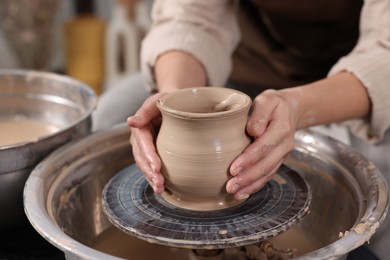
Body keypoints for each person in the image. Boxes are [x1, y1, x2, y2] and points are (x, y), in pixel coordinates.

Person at [93, 0, 390, 258]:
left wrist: (298, 106)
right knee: (112, 114)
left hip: (350, 83)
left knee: (377, 178)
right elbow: (191, 17)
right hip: (235, 69)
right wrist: (175, 100)